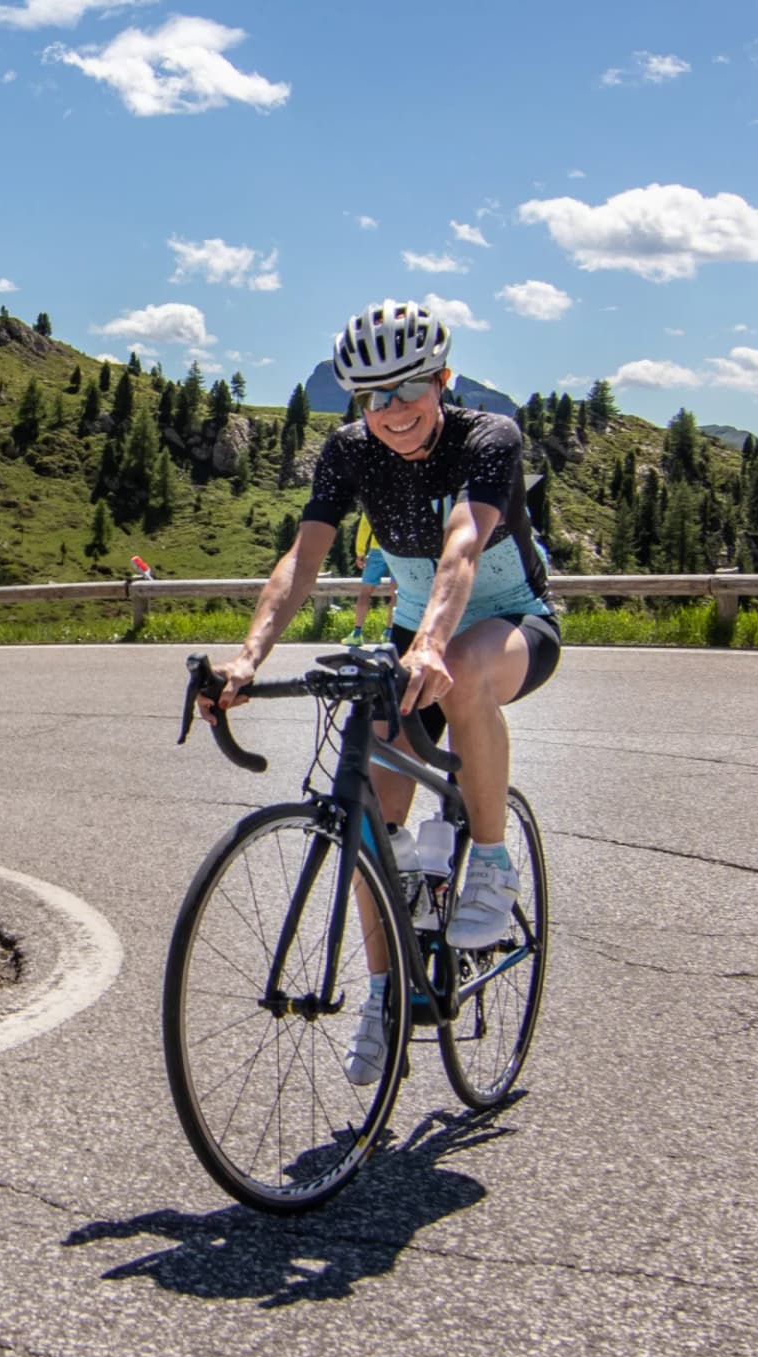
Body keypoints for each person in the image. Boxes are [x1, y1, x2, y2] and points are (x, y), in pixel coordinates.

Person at [200, 300, 560, 1085]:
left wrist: (432, 643)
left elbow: (463, 543)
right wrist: (248, 658)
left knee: (461, 671)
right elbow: (302, 560)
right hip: (411, 633)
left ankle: (492, 862)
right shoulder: (350, 453)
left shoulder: (486, 438)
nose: (393, 412)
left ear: (442, 379)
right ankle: (384, 989)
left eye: (407, 391)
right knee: (370, 811)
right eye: (375, 397)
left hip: (509, 623)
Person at [341, 514, 389, 647]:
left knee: (365, 592)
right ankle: (389, 634)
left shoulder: (374, 496)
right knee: (397, 592)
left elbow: (364, 526)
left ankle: (357, 633)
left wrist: (360, 553)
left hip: (377, 547)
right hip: (400, 549)